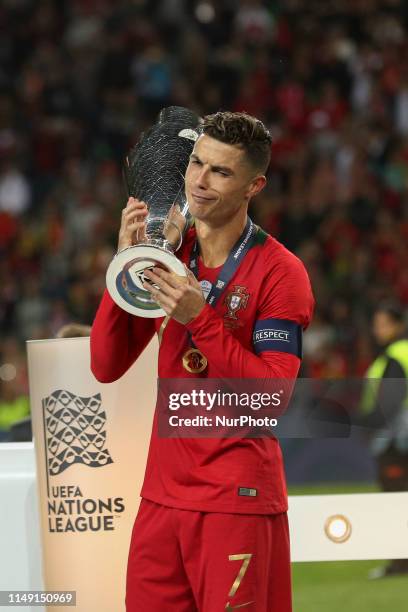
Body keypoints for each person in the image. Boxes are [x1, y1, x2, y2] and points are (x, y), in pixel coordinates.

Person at [90, 111, 314, 611]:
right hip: (161, 498)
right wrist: (124, 264)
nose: (198, 181)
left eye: (221, 172)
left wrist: (201, 318)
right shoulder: (168, 255)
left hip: (235, 500)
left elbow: (271, 400)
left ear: (254, 185)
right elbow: (105, 364)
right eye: (196, 163)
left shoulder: (281, 272)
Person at [359, 302, 408, 578]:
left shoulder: (394, 356)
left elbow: (390, 402)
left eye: (382, 324)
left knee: (395, 501)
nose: (377, 330)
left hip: (396, 441)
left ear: (397, 324)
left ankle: (400, 564)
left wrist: (368, 422)